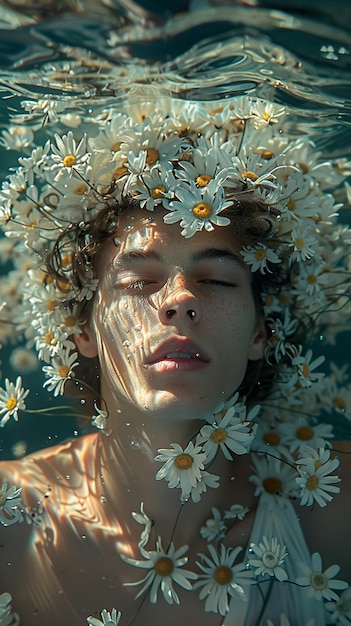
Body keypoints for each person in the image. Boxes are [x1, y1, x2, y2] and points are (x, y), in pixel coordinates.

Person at [0, 92, 351, 626]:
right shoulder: (9, 516)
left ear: (262, 330)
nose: (179, 299)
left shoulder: (338, 509)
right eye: (138, 280)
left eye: (216, 279)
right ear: (83, 330)